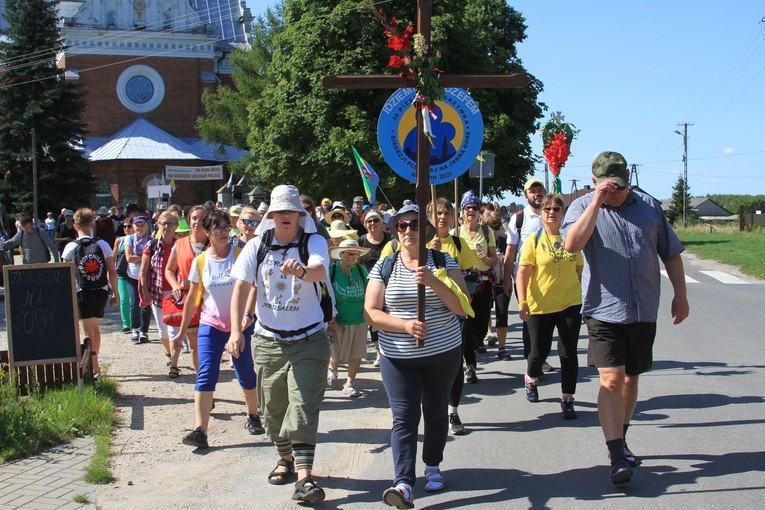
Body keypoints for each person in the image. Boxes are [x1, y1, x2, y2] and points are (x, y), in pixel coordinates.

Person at [561, 151, 689, 485]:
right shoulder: (581, 207)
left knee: (632, 378)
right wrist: (596, 202)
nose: (616, 192)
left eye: (620, 186)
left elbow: (671, 253)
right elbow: (572, 245)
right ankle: (616, 454)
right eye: (609, 186)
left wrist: (681, 294)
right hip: (603, 310)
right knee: (612, 379)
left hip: (643, 307)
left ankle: (622, 436)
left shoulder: (649, 207)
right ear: (595, 181)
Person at [229, 184, 331, 503]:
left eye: (291, 211)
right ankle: (285, 458)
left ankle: (305, 478)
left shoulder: (313, 241)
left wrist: (301, 270)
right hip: (268, 340)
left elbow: (318, 270)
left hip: (310, 339)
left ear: (300, 215)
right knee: (273, 411)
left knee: (302, 409)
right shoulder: (256, 246)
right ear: (271, 216)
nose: (286, 216)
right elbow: (241, 288)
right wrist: (235, 331)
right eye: (280, 211)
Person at [364, 203, 466, 509]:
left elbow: (462, 306)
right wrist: (405, 325)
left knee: (435, 410)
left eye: (415, 225)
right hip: (397, 355)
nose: (408, 230)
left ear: (427, 231)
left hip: (442, 352)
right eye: (402, 226)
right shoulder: (386, 264)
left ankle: (433, 466)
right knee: (404, 417)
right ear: (395, 231)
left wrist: (433, 281)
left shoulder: (443, 260)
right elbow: (370, 312)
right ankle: (404, 483)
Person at [177, 209, 264, 449]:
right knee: (206, 372)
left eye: (227, 227)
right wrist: (182, 330)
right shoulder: (201, 261)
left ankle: (253, 415)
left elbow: (253, 287)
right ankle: (200, 430)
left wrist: (248, 315)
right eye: (218, 228)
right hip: (211, 324)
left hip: (241, 324)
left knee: (245, 370)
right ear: (207, 232)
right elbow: (193, 297)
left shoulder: (239, 255)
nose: (225, 232)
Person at [516, 194, 583, 419]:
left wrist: (576, 292)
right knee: (539, 352)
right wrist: (523, 301)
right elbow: (522, 273)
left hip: (570, 303)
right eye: (547, 209)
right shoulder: (533, 241)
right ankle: (531, 377)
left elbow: (579, 268)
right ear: (541, 214)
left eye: (556, 208)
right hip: (540, 305)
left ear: (563, 213)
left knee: (568, 353)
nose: (552, 212)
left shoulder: (571, 238)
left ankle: (567, 399)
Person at [427, 197, 473, 435]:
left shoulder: (457, 242)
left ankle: (453, 410)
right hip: (426, 312)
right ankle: (431, 410)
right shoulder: (415, 240)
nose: (442, 217)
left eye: (447, 213)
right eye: (438, 213)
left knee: (455, 364)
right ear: (428, 216)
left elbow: (475, 267)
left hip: (454, 311)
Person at [61, 208, 119, 381]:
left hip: (82, 292)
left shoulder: (70, 247)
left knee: (87, 332)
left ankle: (94, 368)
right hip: (101, 291)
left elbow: (67, 275)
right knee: (94, 328)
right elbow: (112, 271)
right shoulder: (103, 245)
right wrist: (115, 293)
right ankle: (95, 363)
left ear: (75, 226)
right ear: (91, 224)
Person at [504, 178, 554, 371]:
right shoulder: (519, 218)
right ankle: (532, 358)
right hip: (526, 278)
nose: (537, 193)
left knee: (548, 320)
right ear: (526, 195)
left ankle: (539, 356)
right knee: (530, 319)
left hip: (550, 278)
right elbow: (511, 250)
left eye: (540, 190)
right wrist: (507, 278)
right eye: (533, 191)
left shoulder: (552, 215)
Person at [452, 190, 497, 383]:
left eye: (475, 208)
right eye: (467, 207)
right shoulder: (456, 233)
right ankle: (470, 366)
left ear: (480, 211)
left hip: (483, 283)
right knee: (467, 327)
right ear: (462, 210)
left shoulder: (486, 232)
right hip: (464, 284)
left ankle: (477, 345)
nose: (471, 211)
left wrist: (485, 259)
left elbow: (495, 259)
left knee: (480, 326)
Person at [165, 205, 209, 372]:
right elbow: (169, 269)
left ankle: (203, 381)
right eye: (194, 218)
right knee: (190, 340)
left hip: (209, 299)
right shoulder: (180, 244)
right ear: (189, 221)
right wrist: (175, 285)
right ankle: (180, 368)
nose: (198, 222)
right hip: (188, 297)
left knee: (201, 343)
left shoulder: (215, 243)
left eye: (202, 218)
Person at [327, 239, 370, 397]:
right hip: (336, 319)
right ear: (340, 254)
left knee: (357, 352)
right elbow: (326, 294)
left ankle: (349, 383)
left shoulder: (361, 270)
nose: (352, 257)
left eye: (355, 255)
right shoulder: (331, 271)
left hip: (359, 318)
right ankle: (333, 367)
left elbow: (369, 289)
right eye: (348, 254)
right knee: (335, 351)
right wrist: (329, 316)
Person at [140, 211, 180, 374]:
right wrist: (145, 291)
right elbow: (143, 271)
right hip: (156, 293)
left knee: (173, 330)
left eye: (170, 224)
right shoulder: (152, 245)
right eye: (164, 223)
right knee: (162, 331)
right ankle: (170, 354)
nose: (167, 227)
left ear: (176, 226)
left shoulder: (181, 245)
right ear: (158, 225)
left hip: (175, 293)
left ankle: (174, 365)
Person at [358, 209, 392, 366]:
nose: (373, 224)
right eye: (369, 221)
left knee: (389, 317)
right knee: (374, 320)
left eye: (376, 220)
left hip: (390, 284)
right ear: (365, 225)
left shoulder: (391, 240)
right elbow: (357, 264)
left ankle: (390, 349)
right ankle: (379, 352)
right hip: (370, 287)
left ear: (382, 222)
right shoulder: (361, 242)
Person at [482, 210, 512, 361]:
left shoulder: (504, 240)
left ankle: (502, 348)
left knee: (502, 314)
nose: (494, 229)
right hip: (485, 282)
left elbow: (510, 261)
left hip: (501, 282)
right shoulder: (481, 242)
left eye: (496, 225)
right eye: (490, 226)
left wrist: (508, 280)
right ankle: (482, 339)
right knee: (483, 313)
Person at [124, 216, 153, 344]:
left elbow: (152, 258)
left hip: (147, 275)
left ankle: (144, 331)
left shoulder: (152, 240)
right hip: (132, 276)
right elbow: (129, 258)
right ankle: (135, 328)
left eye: (142, 225)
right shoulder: (129, 239)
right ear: (133, 226)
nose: (140, 228)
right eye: (137, 225)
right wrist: (145, 255)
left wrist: (140, 257)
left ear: (147, 226)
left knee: (146, 302)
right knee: (134, 303)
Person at [113, 218, 134, 333]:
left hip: (134, 274)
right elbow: (113, 256)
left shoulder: (138, 240)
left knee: (134, 300)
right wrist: (110, 271)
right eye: (124, 226)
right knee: (124, 299)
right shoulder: (119, 241)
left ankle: (135, 322)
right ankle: (126, 323)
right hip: (121, 273)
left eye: (129, 226)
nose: (126, 228)